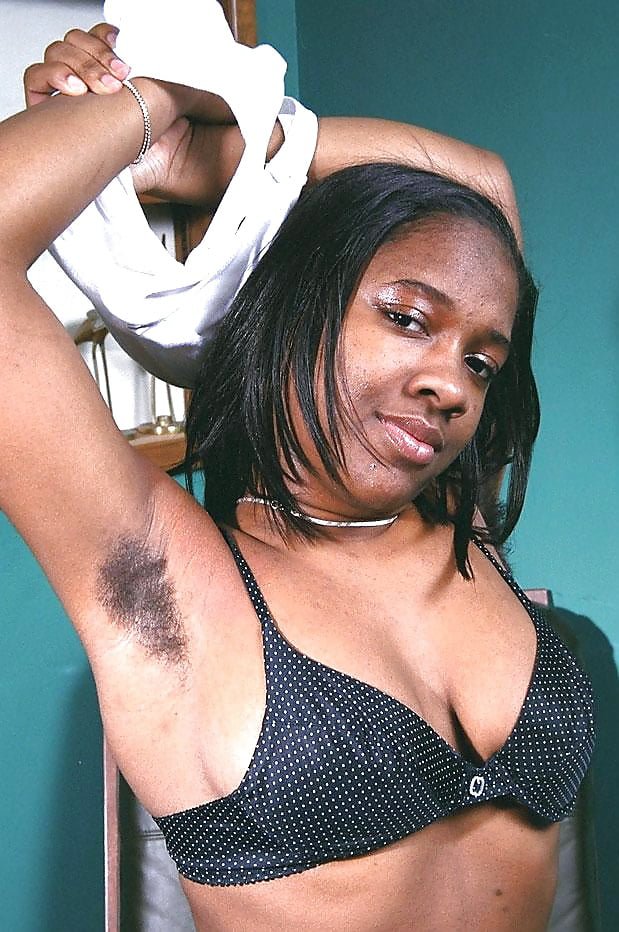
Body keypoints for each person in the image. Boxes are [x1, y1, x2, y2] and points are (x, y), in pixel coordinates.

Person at [3, 20, 594, 932]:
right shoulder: (166, 581)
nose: (451, 384)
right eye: (406, 318)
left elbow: (480, 187)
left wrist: (218, 150)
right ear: (294, 313)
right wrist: (163, 92)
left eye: (481, 361)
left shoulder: (455, 513)